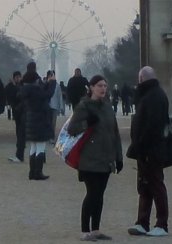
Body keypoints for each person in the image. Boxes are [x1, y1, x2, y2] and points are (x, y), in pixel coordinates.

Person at [66, 74, 124, 242]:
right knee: (92, 194)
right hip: (89, 158)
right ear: (91, 87)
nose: (103, 89)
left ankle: (96, 229)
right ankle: (85, 230)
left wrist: (118, 157)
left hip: (106, 158)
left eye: (105, 86)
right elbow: (71, 129)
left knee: (100, 195)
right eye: (99, 85)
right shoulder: (83, 106)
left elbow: (115, 133)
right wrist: (87, 123)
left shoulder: (107, 107)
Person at [126, 66, 170, 237]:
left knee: (156, 184)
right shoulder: (154, 94)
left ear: (141, 78)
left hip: (150, 149)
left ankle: (161, 223)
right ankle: (142, 222)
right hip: (147, 148)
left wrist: (141, 145)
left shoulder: (153, 96)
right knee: (145, 185)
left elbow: (152, 126)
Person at [22, 69, 56, 181]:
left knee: (33, 147)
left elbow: (42, 93)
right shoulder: (35, 90)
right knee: (40, 148)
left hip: (31, 120)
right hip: (40, 121)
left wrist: (47, 83)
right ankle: (38, 172)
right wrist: (52, 82)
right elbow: (48, 94)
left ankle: (32, 172)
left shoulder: (28, 90)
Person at [8, 62, 32, 163]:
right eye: (16, 77)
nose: (18, 79)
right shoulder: (12, 86)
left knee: (21, 133)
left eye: (19, 77)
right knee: (20, 132)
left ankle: (20, 154)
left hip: (22, 112)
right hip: (18, 111)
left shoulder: (22, 87)